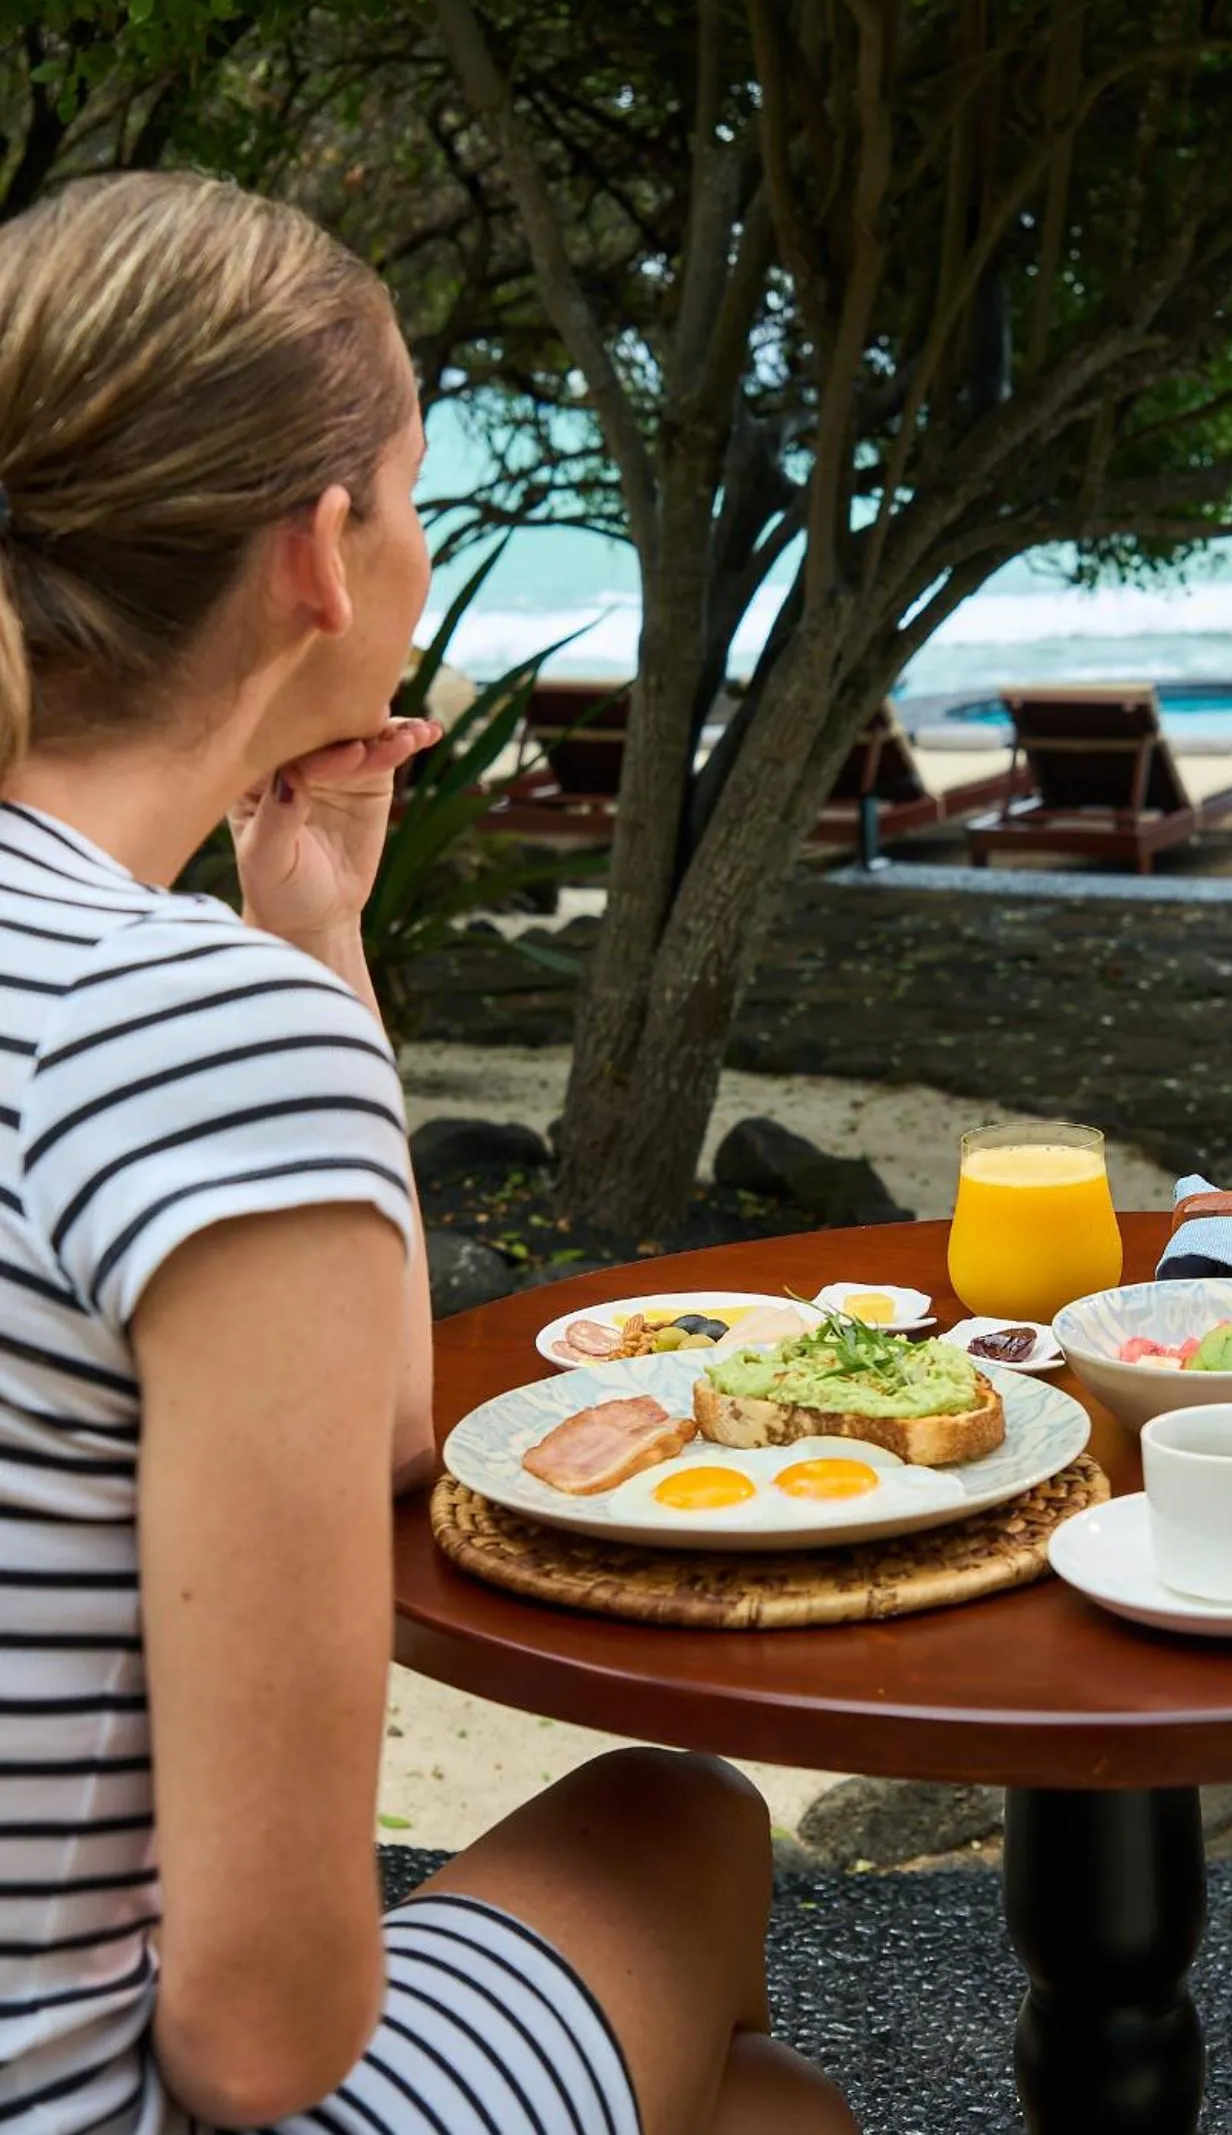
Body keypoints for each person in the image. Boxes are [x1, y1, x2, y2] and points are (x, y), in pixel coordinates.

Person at [0, 172, 857, 2135]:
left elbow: (372, 1419)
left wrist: (313, 934)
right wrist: (274, 995)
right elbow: (261, 2037)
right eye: (418, 503)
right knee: (692, 1835)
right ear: (321, 552)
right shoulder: (179, 1029)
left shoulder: (168, 994)